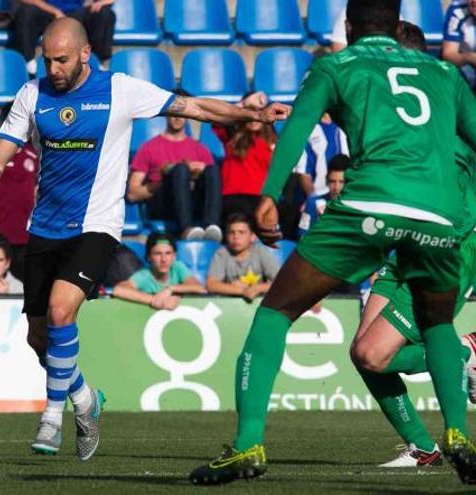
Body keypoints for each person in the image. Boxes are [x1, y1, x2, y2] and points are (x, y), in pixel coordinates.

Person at [0, 17, 288, 461]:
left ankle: (53, 415)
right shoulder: (32, 95)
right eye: (47, 60)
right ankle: (87, 398)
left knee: (59, 310)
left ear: (85, 54)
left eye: (62, 60)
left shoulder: (121, 89)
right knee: (38, 339)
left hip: (97, 225)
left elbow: (195, 108)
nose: (53, 68)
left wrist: (251, 114)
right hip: (44, 227)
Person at [190, 0, 476, 485]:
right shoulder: (446, 75)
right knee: (434, 325)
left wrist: (267, 195)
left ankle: (247, 446)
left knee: (276, 310)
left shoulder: (338, 65)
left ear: (349, 27)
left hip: (371, 206)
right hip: (437, 217)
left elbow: (299, 130)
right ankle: (456, 436)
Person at [348, 19, 476, 470]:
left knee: (372, 353)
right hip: (401, 246)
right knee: (363, 354)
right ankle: (422, 449)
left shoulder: (448, 105)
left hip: (446, 246)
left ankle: (465, 353)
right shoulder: (392, 113)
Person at [127, 92, 221, 241]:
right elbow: (132, 193)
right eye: (174, 111)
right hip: (163, 204)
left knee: (211, 169)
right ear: (166, 113)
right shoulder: (149, 148)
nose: (178, 117)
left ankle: (212, 225)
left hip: (193, 202)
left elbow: (211, 182)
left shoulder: (200, 149)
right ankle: (186, 229)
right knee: (180, 170)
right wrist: (162, 181)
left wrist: (198, 171)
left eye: (183, 112)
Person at [0, 102, 39, 281]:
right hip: (0, 236)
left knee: (26, 285)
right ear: (1, 126)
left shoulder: (34, 155)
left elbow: (38, 192)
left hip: (27, 235)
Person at [215, 92, 277, 224]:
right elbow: (218, 118)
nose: (255, 118)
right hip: (233, 197)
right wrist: (243, 104)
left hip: (260, 197)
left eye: (259, 112)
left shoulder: (272, 140)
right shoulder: (232, 136)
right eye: (250, 113)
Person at [11, 0, 116, 75]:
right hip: (46, 12)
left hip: (76, 14)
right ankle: (28, 63)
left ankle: (99, 63)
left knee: (105, 14)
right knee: (26, 12)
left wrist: (102, 2)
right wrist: (54, 11)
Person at [112, 233, 206, 309]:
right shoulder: (145, 275)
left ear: (174, 256)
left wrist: (170, 289)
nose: (164, 259)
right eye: (158, 254)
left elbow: (199, 288)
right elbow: (118, 290)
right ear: (149, 257)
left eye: (168, 253)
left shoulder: (177, 267)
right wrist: (154, 300)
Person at [205, 213, 279, 302]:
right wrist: (242, 291)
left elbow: (281, 281)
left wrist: (257, 288)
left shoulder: (261, 251)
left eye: (241, 232)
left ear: (252, 236)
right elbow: (211, 285)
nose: (236, 237)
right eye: (231, 232)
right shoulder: (222, 253)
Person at [297, 154, 349, 237]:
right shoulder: (313, 203)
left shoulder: (356, 207)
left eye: (341, 182)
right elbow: (302, 237)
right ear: (327, 181)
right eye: (332, 181)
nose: (336, 187)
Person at [442, 0, 476, 89]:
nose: (474, 2)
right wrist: (469, 57)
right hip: (467, 65)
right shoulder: (457, 10)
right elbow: (449, 53)